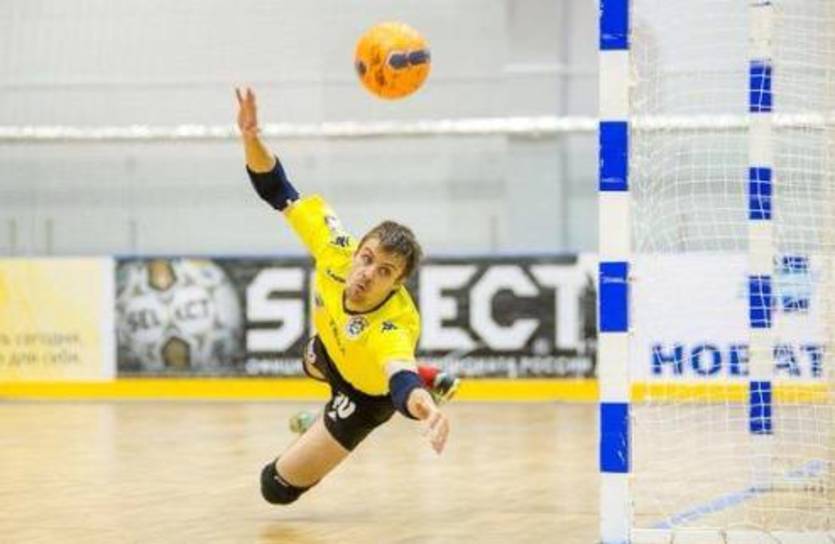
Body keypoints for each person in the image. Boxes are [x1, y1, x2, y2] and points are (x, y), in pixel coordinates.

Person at [235, 87, 459, 506]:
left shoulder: (394, 326)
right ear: (357, 251)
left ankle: (329, 425)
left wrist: (425, 408)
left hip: (366, 396)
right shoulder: (334, 249)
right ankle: (425, 375)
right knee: (308, 360)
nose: (367, 274)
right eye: (367, 259)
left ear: (398, 284)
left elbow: (400, 380)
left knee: (275, 488)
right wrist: (251, 138)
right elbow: (276, 188)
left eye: (385, 271)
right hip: (329, 350)